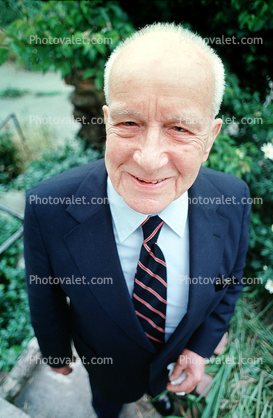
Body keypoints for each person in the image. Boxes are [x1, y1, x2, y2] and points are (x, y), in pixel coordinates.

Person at [24, 23, 251, 417]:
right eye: (130, 123)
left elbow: (229, 283)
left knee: (157, 384)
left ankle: (158, 391)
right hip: (105, 367)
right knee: (108, 404)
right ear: (108, 120)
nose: (148, 159)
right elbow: (44, 295)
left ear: (210, 138)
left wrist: (199, 348)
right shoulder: (49, 205)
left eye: (179, 128)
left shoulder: (233, 198)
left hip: (172, 358)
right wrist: (54, 351)